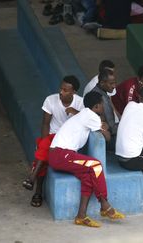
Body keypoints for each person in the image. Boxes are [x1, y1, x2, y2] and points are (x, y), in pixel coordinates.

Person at [48, 91, 125, 227]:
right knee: (95, 165)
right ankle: (104, 205)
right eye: (102, 104)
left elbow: (102, 128)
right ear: (96, 106)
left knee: (88, 176)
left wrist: (102, 126)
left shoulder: (85, 114)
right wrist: (104, 127)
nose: (103, 106)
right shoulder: (91, 116)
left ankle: (81, 216)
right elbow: (107, 138)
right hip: (61, 154)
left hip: (60, 154)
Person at [22, 75, 84, 207]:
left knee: (43, 153)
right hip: (52, 136)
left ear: (74, 92)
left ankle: (33, 182)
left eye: (66, 90)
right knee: (43, 150)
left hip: (69, 139)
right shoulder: (50, 100)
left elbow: (88, 120)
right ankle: (37, 190)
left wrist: (76, 112)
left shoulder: (80, 103)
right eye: (61, 89)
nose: (61, 92)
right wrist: (44, 144)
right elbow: (45, 124)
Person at [91, 69, 119, 143]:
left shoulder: (95, 92)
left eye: (115, 83)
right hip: (107, 138)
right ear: (102, 83)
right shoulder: (102, 99)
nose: (114, 86)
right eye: (111, 83)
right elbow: (112, 128)